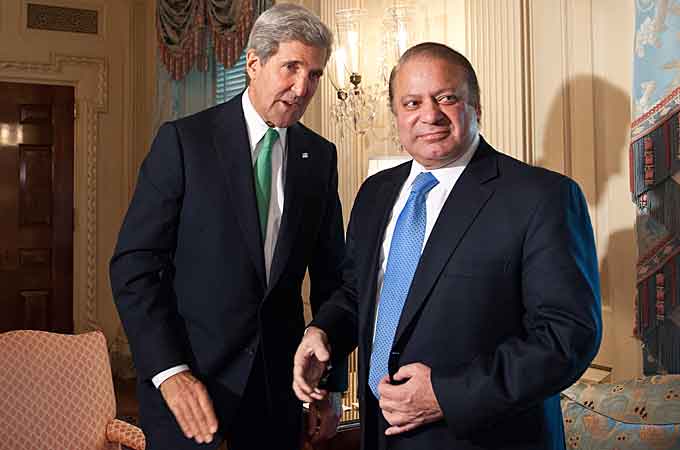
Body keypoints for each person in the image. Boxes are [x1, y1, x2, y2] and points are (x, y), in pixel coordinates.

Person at [293, 42, 602, 450]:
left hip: (481, 439)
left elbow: (567, 337)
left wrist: (446, 394)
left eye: (446, 98)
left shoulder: (541, 197)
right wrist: (323, 331)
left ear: (476, 106)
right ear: (396, 115)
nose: (430, 115)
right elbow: (357, 293)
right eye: (412, 103)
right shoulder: (375, 193)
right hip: (379, 434)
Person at [110, 4, 346, 450]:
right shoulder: (184, 142)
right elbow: (133, 268)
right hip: (189, 389)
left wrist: (329, 386)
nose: (302, 88)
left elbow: (333, 278)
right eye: (291, 68)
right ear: (254, 63)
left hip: (278, 397)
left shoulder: (320, 157)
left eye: (314, 74)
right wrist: (170, 372)